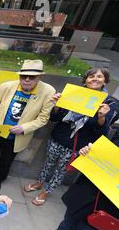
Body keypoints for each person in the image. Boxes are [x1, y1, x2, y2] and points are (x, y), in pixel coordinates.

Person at [24, 67, 117, 206]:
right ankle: (39, 182)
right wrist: (56, 106)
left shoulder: (109, 103)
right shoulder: (73, 94)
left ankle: (47, 191)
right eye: (91, 76)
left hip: (77, 145)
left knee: (61, 171)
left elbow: (102, 132)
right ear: (85, 80)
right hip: (58, 138)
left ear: (105, 81)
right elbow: (55, 118)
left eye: (99, 76)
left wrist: (101, 117)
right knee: (48, 163)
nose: (95, 79)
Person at [32, 135, 119, 230]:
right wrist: (87, 152)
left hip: (110, 209)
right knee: (69, 221)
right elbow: (105, 153)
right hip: (86, 192)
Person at [0, 59, 55, 192]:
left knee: (6, 160)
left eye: (31, 77)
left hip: (17, 136)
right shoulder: (7, 86)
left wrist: (24, 128)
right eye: (23, 76)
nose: (26, 80)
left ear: (39, 77)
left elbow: (43, 118)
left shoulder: (48, 92)